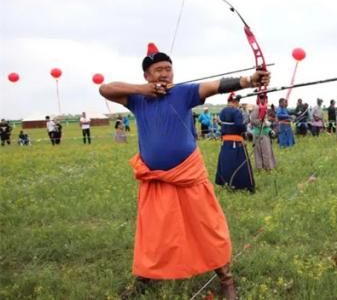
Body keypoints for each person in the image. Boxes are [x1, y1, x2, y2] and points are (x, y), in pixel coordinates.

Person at [99, 42, 270, 299]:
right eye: (158, 70)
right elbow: (104, 88)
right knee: (153, 233)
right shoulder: (136, 99)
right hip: (156, 180)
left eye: (168, 69)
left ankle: (226, 281)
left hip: (188, 176)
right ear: (147, 75)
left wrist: (249, 80)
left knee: (206, 227)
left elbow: (214, 86)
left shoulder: (184, 93)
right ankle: (146, 278)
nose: (165, 74)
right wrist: (143, 90)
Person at [215, 93, 255, 192]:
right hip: (236, 142)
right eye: (237, 102)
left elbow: (222, 123)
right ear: (235, 101)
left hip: (225, 142)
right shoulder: (236, 112)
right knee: (240, 164)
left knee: (226, 163)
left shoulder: (222, 111)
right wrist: (245, 126)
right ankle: (242, 185)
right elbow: (240, 126)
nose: (238, 104)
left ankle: (225, 182)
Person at [250, 95, 276, 171]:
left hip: (264, 133)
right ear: (258, 99)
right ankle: (261, 168)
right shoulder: (256, 109)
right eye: (261, 98)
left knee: (267, 151)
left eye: (264, 98)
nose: (263, 100)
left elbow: (265, 121)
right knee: (260, 152)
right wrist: (264, 122)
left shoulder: (265, 108)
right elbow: (253, 121)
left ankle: (267, 167)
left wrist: (269, 128)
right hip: (259, 134)